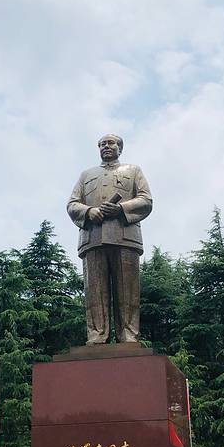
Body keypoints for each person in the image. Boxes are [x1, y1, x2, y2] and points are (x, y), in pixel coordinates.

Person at [67, 134, 152, 344]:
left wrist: (121, 208)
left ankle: (128, 336)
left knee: (128, 291)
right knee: (94, 292)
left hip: (125, 237)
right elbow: (72, 204)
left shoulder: (133, 171)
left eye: (111, 143)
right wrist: (89, 212)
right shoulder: (86, 175)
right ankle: (97, 336)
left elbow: (146, 200)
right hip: (93, 238)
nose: (106, 146)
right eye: (102, 144)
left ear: (119, 148)